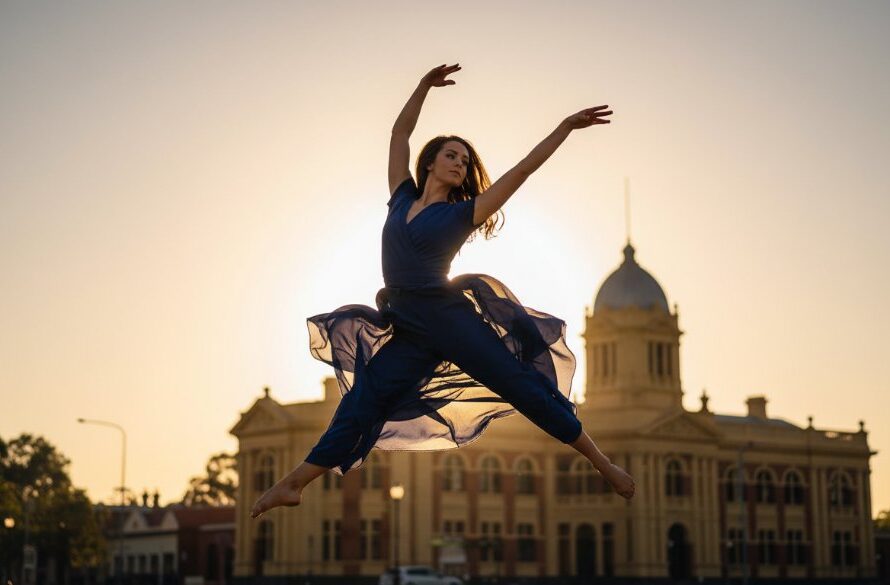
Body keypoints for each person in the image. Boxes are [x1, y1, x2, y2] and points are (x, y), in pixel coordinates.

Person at [250, 63, 634, 519]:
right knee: (361, 401)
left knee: (520, 385)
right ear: (430, 161)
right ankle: (294, 483)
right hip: (408, 325)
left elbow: (522, 171)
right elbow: (398, 134)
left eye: (466, 161)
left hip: (448, 318)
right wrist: (421, 88)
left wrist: (564, 129)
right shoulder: (400, 198)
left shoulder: (463, 213)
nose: (461, 164)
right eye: (452, 155)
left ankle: (601, 462)